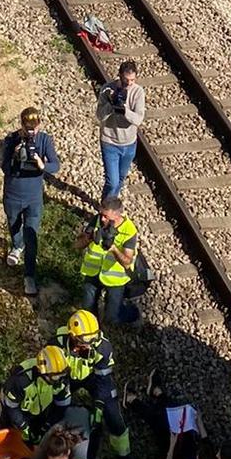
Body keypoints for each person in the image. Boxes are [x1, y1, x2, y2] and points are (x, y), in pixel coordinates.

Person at [58, 308, 135, 459]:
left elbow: (103, 379)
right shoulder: (57, 344)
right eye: (85, 343)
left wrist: (99, 406)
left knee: (114, 419)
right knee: (58, 412)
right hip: (67, 377)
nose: (89, 347)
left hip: (93, 377)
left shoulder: (102, 347)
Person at [1, 108, 59, 298]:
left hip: (33, 198)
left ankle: (29, 275)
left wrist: (42, 165)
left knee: (31, 234)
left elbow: (55, 166)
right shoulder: (11, 139)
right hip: (13, 195)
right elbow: (4, 168)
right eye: (27, 129)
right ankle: (17, 246)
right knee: (14, 224)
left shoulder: (44, 140)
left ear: (39, 126)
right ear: (21, 126)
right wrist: (14, 157)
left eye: (33, 128)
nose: (30, 132)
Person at [2, 345, 83, 455]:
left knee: (36, 437)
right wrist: (23, 426)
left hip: (39, 409)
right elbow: (12, 407)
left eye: (62, 375)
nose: (59, 380)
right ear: (42, 372)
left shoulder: (60, 380)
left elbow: (61, 407)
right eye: (55, 377)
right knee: (10, 438)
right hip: (13, 409)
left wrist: (47, 426)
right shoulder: (21, 380)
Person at [79, 199, 148, 324]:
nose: (102, 219)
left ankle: (133, 313)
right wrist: (89, 238)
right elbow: (77, 245)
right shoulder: (97, 220)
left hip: (115, 279)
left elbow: (127, 261)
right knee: (87, 311)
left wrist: (114, 249)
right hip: (93, 272)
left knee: (112, 318)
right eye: (101, 215)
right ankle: (92, 330)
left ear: (118, 215)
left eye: (106, 217)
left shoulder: (129, 231)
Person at [96, 60, 144, 201]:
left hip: (129, 144)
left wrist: (124, 111)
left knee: (121, 179)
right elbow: (99, 115)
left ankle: (108, 205)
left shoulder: (138, 92)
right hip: (110, 142)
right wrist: (111, 105)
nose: (129, 83)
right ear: (119, 76)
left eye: (132, 80)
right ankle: (107, 211)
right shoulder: (107, 89)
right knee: (112, 182)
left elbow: (138, 119)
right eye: (126, 79)